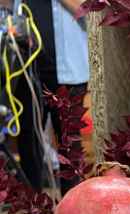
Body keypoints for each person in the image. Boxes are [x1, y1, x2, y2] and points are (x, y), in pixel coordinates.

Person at [11, 0, 88, 193]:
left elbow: (89, 12)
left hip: (69, 70)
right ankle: (32, 200)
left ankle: (71, 199)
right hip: (27, 67)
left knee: (69, 138)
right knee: (28, 134)